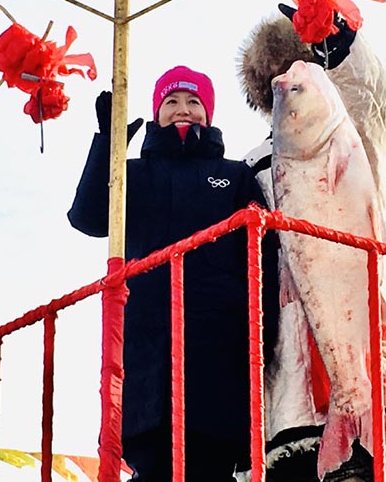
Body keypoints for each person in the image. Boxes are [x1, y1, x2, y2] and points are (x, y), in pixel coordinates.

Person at [67, 65, 280, 481]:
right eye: (172, 101)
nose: (183, 110)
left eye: (194, 101)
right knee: (151, 457)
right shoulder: (133, 174)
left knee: (210, 462)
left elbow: (264, 257)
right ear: (157, 112)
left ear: (209, 112)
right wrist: (109, 144)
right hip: (148, 342)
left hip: (218, 342)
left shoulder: (236, 176)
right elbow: (88, 217)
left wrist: (264, 331)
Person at [236, 8, 386, 481]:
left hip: (366, 381)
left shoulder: (355, 139)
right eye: (278, 82)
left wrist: (338, 35)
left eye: (302, 67)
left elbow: (372, 98)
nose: (290, 80)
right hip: (282, 400)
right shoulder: (245, 169)